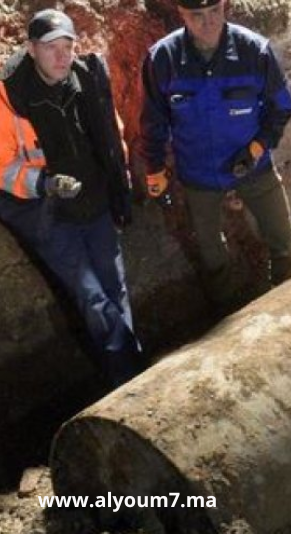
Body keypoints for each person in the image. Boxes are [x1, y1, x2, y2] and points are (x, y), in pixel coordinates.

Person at [0, 9, 142, 387]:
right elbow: (2, 167)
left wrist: (120, 190)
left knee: (115, 287)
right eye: (51, 47)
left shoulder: (86, 79)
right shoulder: (8, 97)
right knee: (92, 297)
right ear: (31, 49)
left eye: (68, 46)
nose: (62, 56)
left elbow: (111, 138)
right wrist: (44, 183)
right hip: (47, 212)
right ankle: (126, 376)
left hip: (94, 200)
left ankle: (134, 374)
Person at [139, 0, 291, 311]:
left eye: (214, 11)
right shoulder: (163, 59)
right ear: (181, 14)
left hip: (252, 165)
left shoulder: (254, 51)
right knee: (212, 256)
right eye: (197, 15)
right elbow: (153, 122)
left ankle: (289, 309)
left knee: (286, 245)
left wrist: (255, 149)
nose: (209, 22)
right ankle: (226, 316)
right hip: (198, 173)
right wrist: (155, 168)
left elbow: (281, 108)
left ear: (224, 5)